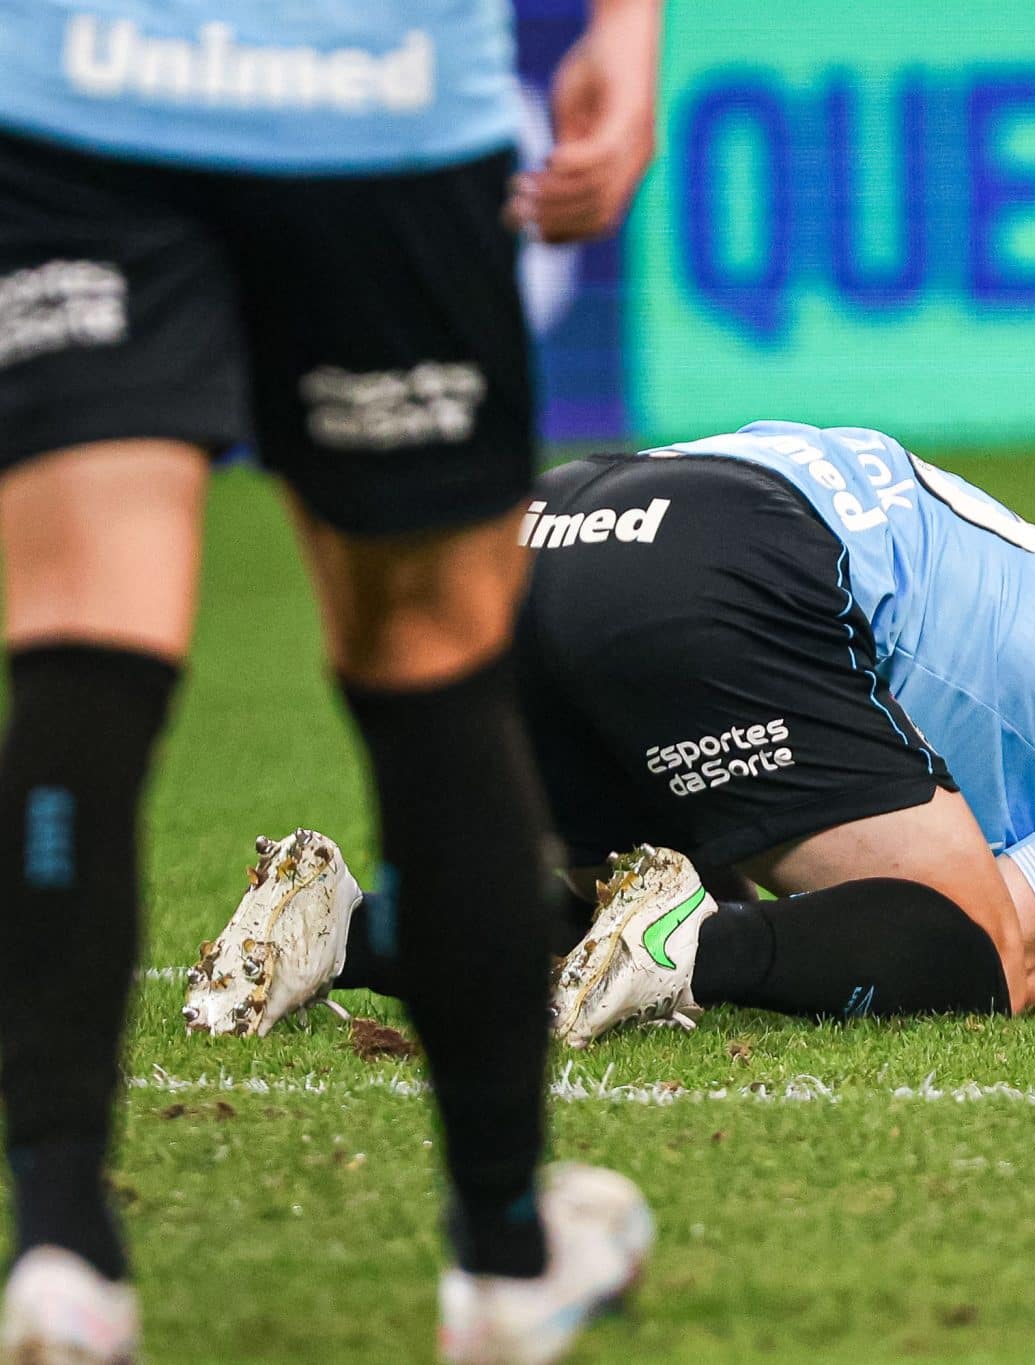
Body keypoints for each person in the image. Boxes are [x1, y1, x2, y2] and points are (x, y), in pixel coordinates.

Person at [0, 2, 662, 1361]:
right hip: (377, 95)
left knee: (81, 638)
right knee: (430, 656)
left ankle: (63, 1255)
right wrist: (630, 27)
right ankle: (503, 1254)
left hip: (82, 82)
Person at [182, 422, 1035, 1047]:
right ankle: (683, 942)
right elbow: (1000, 951)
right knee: (953, 943)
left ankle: (335, 927)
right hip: (728, 558)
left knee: (633, 910)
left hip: (551, 526)